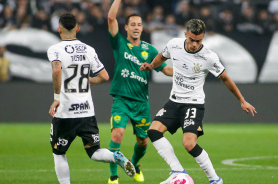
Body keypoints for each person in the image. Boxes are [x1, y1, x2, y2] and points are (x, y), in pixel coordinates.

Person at [140, 19, 257, 184]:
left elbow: (225, 78)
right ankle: (178, 172)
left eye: (199, 41)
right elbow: (161, 56)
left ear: (203, 38)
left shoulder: (209, 57)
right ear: (185, 34)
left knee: (188, 144)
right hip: (174, 102)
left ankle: (215, 180)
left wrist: (242, 100)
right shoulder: (174, 44)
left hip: (193, 103)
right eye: (192, 40)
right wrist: (151, 66)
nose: (195, 44)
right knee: (153, 131)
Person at [47, 13, 136, 184]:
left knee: (59, 152)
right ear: (78, 29)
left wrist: (57, 98)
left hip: (66, 112)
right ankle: (115, 156)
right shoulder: (88, 49)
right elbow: (104, 75)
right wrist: (90, 80)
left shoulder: (55, 49)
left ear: (59, 30)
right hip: (87, 111)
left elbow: (57, 69)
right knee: (94, 152)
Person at [107, 0, 173, 183]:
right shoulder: (119, 43)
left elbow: (166, 70)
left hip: (141, 102)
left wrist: (184, 72)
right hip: (121, 100)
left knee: (143, 142)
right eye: (133, 24)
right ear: (126, 27)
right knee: (117, 134)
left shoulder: (149, 50)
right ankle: (113, 176)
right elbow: (111, 17)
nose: (136, 27)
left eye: (139, 25)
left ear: (142, 28)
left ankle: (133, 165)